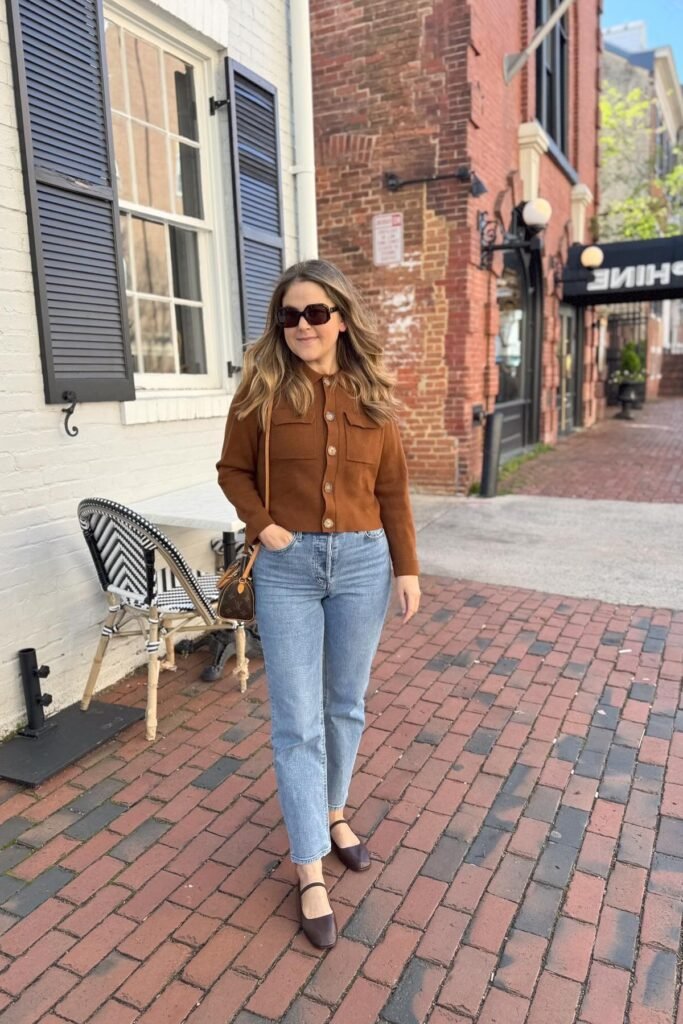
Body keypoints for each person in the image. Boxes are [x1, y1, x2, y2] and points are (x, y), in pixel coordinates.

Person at [217, 259, 420, 949]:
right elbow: (231, 469)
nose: (302, 326)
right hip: (286, 568)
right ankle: (308, 866)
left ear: (339, 318)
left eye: (315, 313)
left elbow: (392, 488)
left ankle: (334, 811)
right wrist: (260, 524)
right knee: (295, 721)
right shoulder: (262, 390)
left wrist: (406, 568)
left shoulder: (372, 392)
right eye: (290, 314)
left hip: (364, 563)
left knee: (346, 705)